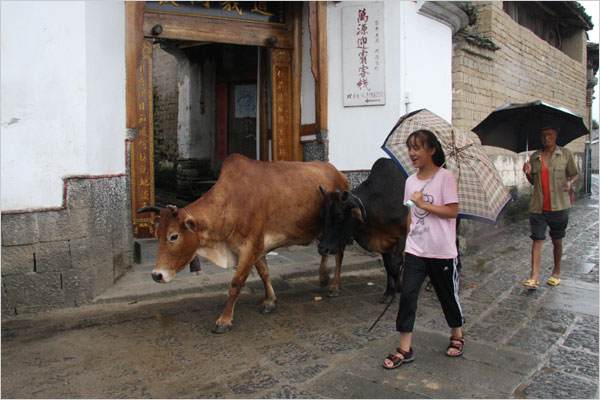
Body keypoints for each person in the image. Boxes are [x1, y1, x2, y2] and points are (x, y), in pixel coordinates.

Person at [383, 130, 464, 370]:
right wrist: (408, 245)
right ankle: (405, 349)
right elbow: (410, 215)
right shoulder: (410, 182)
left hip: (442, 251)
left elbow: (452, 211)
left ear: (431, 150)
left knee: (447, 295)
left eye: (417, 148)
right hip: (417, 250)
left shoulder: (446, 178)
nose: (412, 153)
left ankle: (457, 334)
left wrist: (424, 203)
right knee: (407, 295)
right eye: (410, 148)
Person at [522, 125, 579, 289]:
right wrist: (527, 173)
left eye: (550, 134)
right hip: (538, 207)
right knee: (537, 239)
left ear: (556, 135)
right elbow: (534, 182)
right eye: (542, 135)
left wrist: (570, 182)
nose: (546, 138)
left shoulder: (565, 154)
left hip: (559, 206)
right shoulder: (535, 157)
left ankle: (556, 272)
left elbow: (575, 174)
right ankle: (534, 277)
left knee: (557, 240)